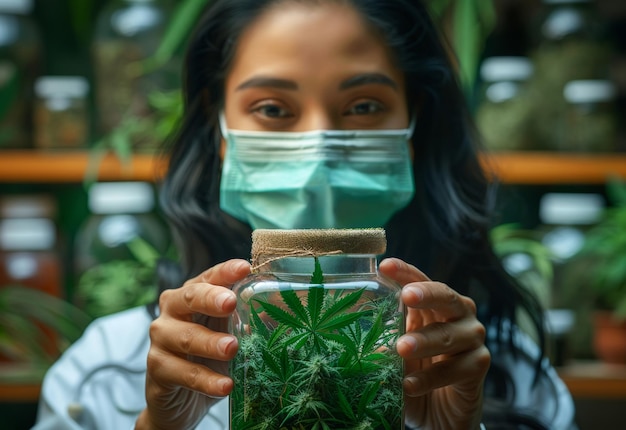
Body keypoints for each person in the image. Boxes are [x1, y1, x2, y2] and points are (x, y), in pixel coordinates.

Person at [33, 0, 577, 429]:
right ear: (218, 128)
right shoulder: (109, 370)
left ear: (416, 127)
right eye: (272, 109)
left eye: (363, 106)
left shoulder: (493, 372)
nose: (318, 148)